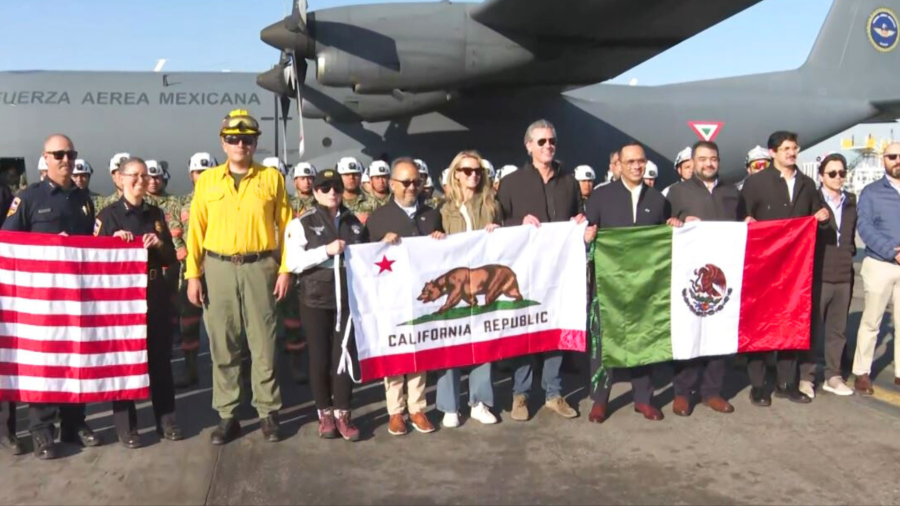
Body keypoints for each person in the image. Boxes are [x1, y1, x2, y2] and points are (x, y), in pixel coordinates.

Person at [185, 109, 292, 445]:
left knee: (264, 342)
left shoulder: (271, 179)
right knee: (223, 343)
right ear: (223, 142)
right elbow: (195, 230)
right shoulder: (208, 181)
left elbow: (288, 227)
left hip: (260, 266)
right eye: (233, 139)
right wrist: (193, 274)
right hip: (216, 267)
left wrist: (286, 268)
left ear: (255, 142)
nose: (240, 144)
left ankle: (267, 412)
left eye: (246, 139)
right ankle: (228, 414)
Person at [2, 134, 100, 459]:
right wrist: (48, 246)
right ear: (45, 157)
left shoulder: (84, 199)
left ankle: (74, 423)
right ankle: (42, 430)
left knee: (75, 358)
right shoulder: (29, 198)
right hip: (41, 300)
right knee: (44, 362)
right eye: (58, 154)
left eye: (70, 154)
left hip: (76, 297)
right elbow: (8, 243)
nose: (65, 160)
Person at [584, 141, 681, 423]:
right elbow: (588, 233)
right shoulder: (601, 197)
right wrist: (586, 237)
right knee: (603, 344)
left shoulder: (658, 200)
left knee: (644, 341)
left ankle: (643, 399)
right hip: (608, 285)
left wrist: (673, 227)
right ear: (619, 166)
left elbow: (664, 240)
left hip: (647, 287)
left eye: (641, 161)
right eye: (630, 162)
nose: (637, 166)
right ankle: (600, 400)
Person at [496, 119, 582, 421]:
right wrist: (516, 224)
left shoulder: (569, 182)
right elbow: (496, 224)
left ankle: (554, 394)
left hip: (558, 272)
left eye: (552, 141)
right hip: (524, 272)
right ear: (529, 146)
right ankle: (520, 394)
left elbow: (577, 216)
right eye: (542, 141)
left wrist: (581, 224)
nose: (548, 146)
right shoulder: (512, 183)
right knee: (524, 331)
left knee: (555, 331)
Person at [95, 157, 183, 447]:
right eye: (133, 175)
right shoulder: (107, 217)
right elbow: (93, 260)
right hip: (122, 301)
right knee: (124, 361)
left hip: (154, 291)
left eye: (144, 176)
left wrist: (158, 244)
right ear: (120, 179)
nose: (140, 181)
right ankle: (127, 427)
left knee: (160, 360)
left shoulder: (156, 213)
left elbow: (172, 256)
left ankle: (166, 421)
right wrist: (112, 243)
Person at [741, 130, 830, 405]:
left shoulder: (806, 183)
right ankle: (757, 386)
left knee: (792, 323)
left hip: (796, 269)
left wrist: (823, 215)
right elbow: (740, 215)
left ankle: (786, 383)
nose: (792, 152)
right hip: (764, 265)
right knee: (759, 324)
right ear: (773, 153)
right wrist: (745, 220)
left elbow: (819, 214)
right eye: (786, 148)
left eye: (794, 148)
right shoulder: (755, 183)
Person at [285, 168, 368, 441]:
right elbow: (294, 262)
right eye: (324, 187)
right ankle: (325, 414)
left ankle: (344, 413)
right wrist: (326, 250)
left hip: (347, 301)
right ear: (315, 191)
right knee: (319, 358)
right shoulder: (302, 223)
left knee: (343, 357)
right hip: (315, 299)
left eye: (336, 187)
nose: (332, 192)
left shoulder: (354, 222)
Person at [364, 159, 444, 434]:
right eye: (406, 182)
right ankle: (395, 411)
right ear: (392, 184)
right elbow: (365, 258)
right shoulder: (378, 218)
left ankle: (417, 407)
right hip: (392, 296)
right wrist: (380, 243)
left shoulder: (432, 214)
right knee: (396, 349)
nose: (412, 187)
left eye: (416, 182)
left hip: (423, 296)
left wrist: (439, 237)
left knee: (419, 348)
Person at [665, 141, 744, 416]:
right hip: (689, 277)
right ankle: (682, 392)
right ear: (693, 162)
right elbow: (665, 225)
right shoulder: (676, 192)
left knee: (719, 334)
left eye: (713, 159)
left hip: (725, 275)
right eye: (702, 159)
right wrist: (674, 222)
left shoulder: (732, 192)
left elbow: (742, 224)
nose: (708, 163)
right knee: (689, 333)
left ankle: (712, 391)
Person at [432, 151, 501, 428]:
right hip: (456, 285)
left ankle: (479, 402)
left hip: (482, 283)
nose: (474, 175)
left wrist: (500, 230)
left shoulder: (491, 205)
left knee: (482, 341)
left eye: (478, 171)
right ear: (456, 173)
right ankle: (450, 405)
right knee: (452, 340)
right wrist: (436, 237)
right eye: (468, 170)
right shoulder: (442, 208)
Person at [852, 141, 900, 394]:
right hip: (879, 264)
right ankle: (862, 371)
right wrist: (893, 251)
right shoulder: (871, 192)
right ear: (884, 160)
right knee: (872, 322)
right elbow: (865, 227)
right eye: (892, 156)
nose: (897, 160)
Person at [806, 153, 856, 397]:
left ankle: (833, 376)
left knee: (838, 329)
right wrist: (813, 220)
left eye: (842, 173)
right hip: (819, 272)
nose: (838, 177)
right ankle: (806, 376)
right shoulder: (812, 200)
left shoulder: (851, 201)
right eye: (832, 173)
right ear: (821, 176)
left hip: (844, 273)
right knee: (813, 327)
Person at [172, 152, 215, 388]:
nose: (203, 176)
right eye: (199, 172)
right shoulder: (182, 203)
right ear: (192, 175)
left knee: (223, 325)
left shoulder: (224, 199)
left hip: (219, 269)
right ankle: (190, 369)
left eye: (207, 171)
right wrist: (188, 259)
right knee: (188, 323)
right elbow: (174, 230)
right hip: (191, 271)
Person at [338, 156, 370, 221]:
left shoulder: (372, 201)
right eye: (347, 174)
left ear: (361, 176)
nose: (351, 178)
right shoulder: (333, 201)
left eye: (355, 174)